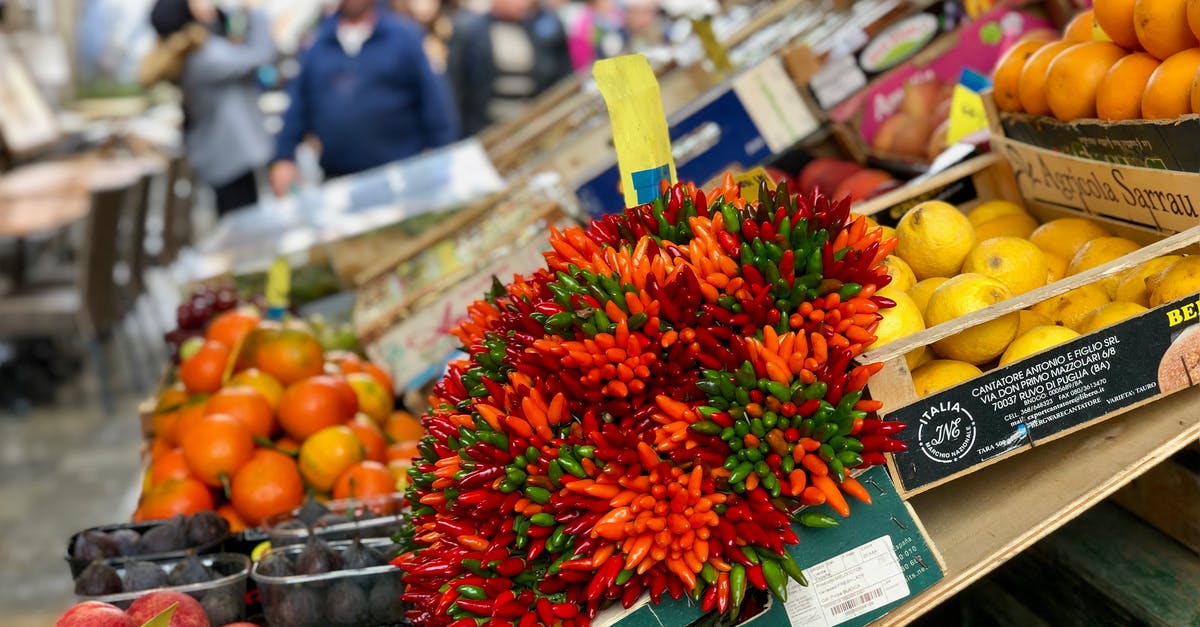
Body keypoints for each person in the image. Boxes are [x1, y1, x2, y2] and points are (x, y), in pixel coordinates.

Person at [270, 0, 459, 196]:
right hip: (339, 180)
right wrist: (284, 158)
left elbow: (435, 104)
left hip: (401, 176)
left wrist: (440, 159)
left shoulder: (404, 37)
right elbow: (298, 106)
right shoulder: (317, 45)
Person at [141, 0, 276, 215]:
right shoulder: (203, 56)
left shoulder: (190, 55)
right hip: (230, 158)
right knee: (241, 227)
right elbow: (259, 55)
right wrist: (257, 11)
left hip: (220, 157)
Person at [445, 0, 573, 137]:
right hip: (484, 129)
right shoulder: (470, 30)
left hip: (525, 128)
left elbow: (550, 76)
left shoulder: (535, 30)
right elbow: (456, 87)